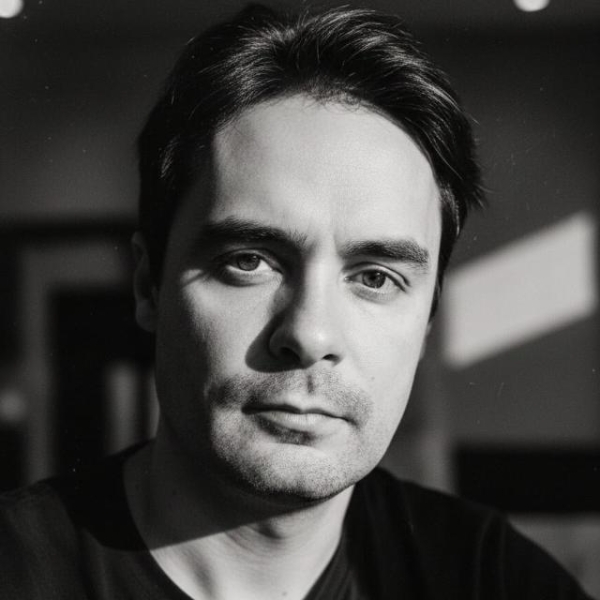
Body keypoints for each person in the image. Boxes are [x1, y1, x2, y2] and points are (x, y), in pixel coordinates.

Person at [0, 4, 594, 599]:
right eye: (249, 262)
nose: (310, 335)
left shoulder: (496, 581)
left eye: (376, 277)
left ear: (427, 322)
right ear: (147, 285)